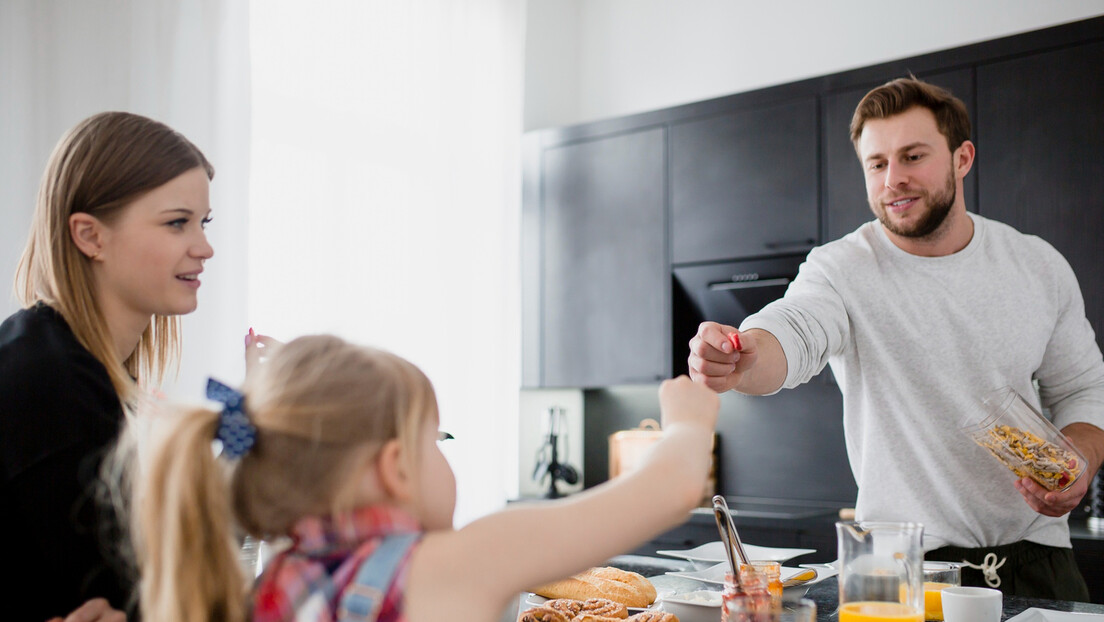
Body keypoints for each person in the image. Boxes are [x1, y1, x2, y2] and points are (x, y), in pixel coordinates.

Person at [688, 77, 1104, 600]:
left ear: (962, 158)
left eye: (912, 156)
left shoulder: (1038, 265)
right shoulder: (840, 268)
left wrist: (1080, 464)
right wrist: (741, 358)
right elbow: (795, 329)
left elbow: (1083, 389)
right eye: (877, 164)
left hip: (1035, 554)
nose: (893, 181)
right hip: (892, 568)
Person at [128, 334, 719, 622]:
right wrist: (687, 423)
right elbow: (668, 490)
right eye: (436, 438)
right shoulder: (451, 564)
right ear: (396, 466)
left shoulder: (278, 582)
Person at [0, 111, 215, 620]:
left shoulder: (70, 365)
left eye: (203, 223)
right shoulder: (48, 382)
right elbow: (120, 595)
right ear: (90, 236)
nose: (205, 248)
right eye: (176, 222)